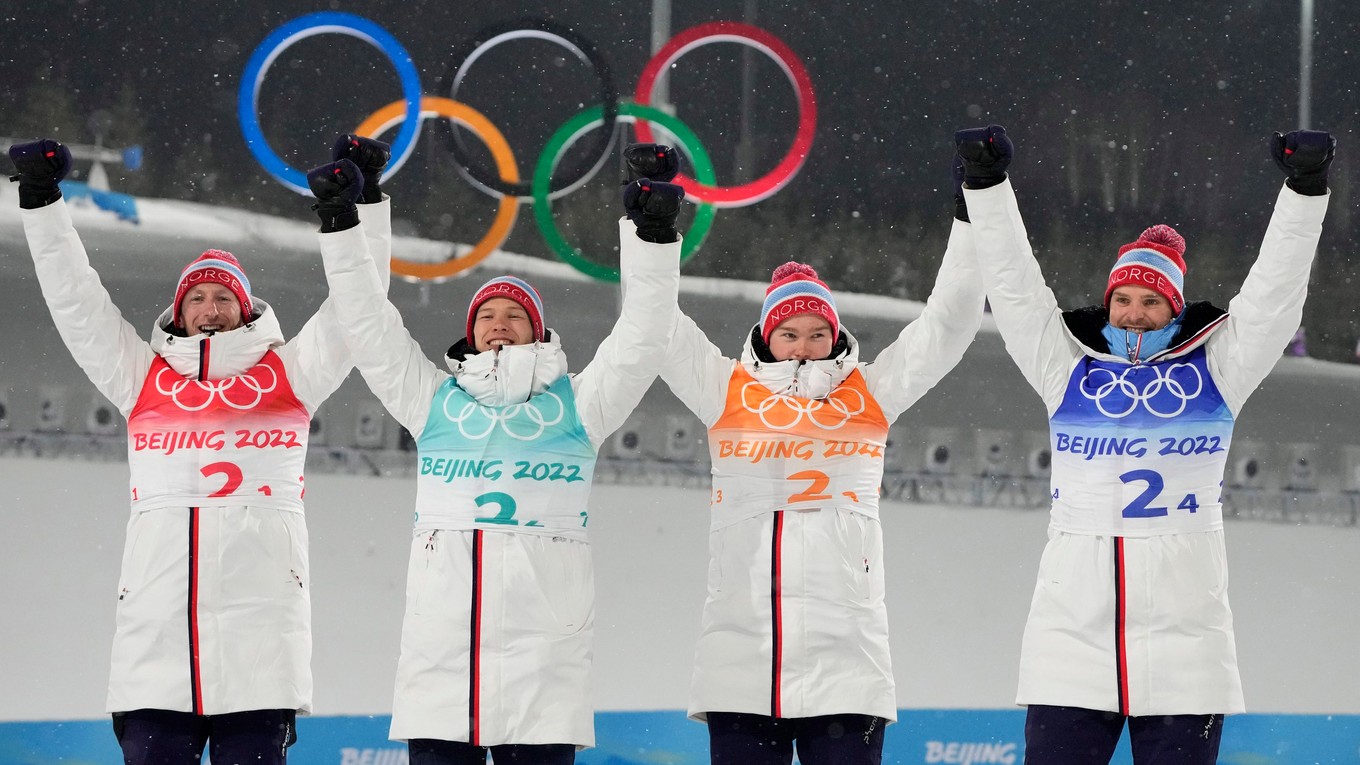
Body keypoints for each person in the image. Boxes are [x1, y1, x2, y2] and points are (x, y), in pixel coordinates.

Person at [8, 133, 394, 765]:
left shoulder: (290, 376)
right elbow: (77, 304)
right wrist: (43, 201)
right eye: (197, 297)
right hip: (154, 650)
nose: (209, 308)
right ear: (179, 311)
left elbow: (362, 309)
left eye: (222, 297)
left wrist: (363, 206)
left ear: (244, 309)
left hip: (259, 651)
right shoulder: (142, 378)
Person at [955, 124, 1334, 763]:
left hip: (1186, 645)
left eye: (1150, 301)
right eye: (1122, 298)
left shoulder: (1218, 369)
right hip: (1070, 642)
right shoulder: (1065, 364)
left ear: (1175, 308)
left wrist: (1304, 191)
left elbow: (1272, 299)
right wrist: (987, 185)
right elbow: (1016, 288)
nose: (1132, 312)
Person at [305, 143, 685, 765]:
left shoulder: (577, 409)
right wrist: (349, 219)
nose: (500, 323)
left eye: (515, 315)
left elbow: (643, 337)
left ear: (540, 331)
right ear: (470, 330)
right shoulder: (432, 402)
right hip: (442, 664)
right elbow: (368, 324)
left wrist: (651, 234)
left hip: (544, 665)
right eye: (488, 315)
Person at [657, 154, 986, 765]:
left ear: (836, 336)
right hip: (741, 662)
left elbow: (949, 326)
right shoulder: (724, 389)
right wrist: (651, 235)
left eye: (816, 332)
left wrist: (974, 218)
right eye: (789, 333)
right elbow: (654, 326)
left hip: (847, 664)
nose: (804, 345)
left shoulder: (870, 392)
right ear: (765, 337)